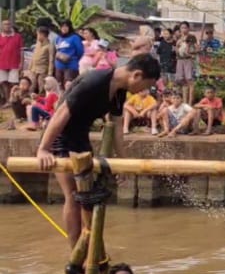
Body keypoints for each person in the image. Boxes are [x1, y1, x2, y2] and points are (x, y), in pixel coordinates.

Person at [36, 54, 160, 247]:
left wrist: (124, 162)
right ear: (136, 75)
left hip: (80, 138)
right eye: (145, 85)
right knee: (73, 195)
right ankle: (75, 251)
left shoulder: (119, 91)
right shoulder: (94, 80)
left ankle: (89, 246)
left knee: (87, 195)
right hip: (60, 136)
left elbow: (117, 128)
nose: (143, 90)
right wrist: (43, 149)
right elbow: (61, 113)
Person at [0, 19, 24, 107]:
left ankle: (15, 100)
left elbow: (22, 51)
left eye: (8, 24)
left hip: (14, 63)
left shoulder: (18, 36)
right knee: (4, 83)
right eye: (5, 24)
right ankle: (8, 101)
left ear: (11, 25)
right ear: (2, 26)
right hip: (2, 64)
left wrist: (21, 63)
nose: (6, 26)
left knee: (14, 84)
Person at [54, 20, 84, 89]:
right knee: (59, 87)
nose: (64, 28)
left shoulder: (75, 37)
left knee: (69, 86)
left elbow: (80, 51)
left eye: (66, 26)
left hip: (70, 66)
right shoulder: (58, 38)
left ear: (69, 27)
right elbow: (57, 49)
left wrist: (72, 58)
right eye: (62, 26)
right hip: (59, 66)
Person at [175, 22, 198, 105]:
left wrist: (190, 53)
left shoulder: (192, 37)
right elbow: (177, 50)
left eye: (185, 27)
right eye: (182, 27)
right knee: (182, 81)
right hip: (180, 60)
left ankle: (190, 102)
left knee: (190, 81)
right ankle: (184, 102)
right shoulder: (178, 37)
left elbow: (197, 48)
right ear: (180, 29)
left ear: (188, 28)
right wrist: (177, 47)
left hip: (188, 60)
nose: (183, 29)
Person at [28, 26, 55, 94]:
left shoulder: (50, 46)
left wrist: (50, 73)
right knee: (31, 86)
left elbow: (51, 60)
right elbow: (33, 56)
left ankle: (42, 103)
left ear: (42, 35)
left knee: (42, 87)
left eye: (38, 34)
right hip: (33, 69)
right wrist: (29, 68)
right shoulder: (38, 44)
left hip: (43, 70)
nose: (37, 36)